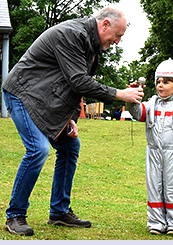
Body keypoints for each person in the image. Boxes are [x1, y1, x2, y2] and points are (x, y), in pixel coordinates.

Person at [2, 6, 144, 236]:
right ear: (105, 24)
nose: (118, 41)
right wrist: (119, 94)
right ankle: (15, 215)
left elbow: (71, 84)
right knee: (38, 150)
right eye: (118, 35)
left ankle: (59, 212)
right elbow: (79, 81)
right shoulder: (72, 34)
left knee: (69, 146)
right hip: (22, 92)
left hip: (43, 97)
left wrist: (69, 118)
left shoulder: (91, 45)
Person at [127, 58, 173, 236]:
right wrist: (131, 98)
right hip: (153, 153)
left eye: (165, 82)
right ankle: (156, 223)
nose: (160, 85)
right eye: (158, 81)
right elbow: (137, 113)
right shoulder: (152, 104)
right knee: (154, 188)